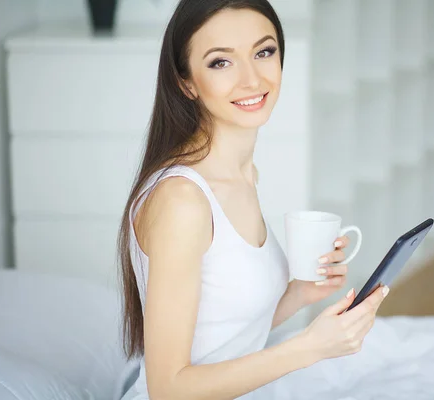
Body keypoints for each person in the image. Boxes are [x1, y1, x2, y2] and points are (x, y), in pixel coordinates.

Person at [117, 1, 389, 399]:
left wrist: (299, 293)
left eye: (264, 52)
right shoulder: (182, 201)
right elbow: (168, 388)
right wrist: (310, 347)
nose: (251, 78)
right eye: (220, 63)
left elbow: (224, 331)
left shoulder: (241, 174)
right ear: (186, 81)